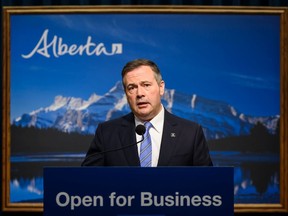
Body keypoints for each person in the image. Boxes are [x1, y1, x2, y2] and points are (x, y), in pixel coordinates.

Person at [81, 59, 213, 167]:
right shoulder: (107, 133)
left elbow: (208, 186)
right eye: (132, 88)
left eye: (146, 85)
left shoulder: (190, 133)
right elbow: (86, 183)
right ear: (126, 94)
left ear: (161, 88)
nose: (140, 94)